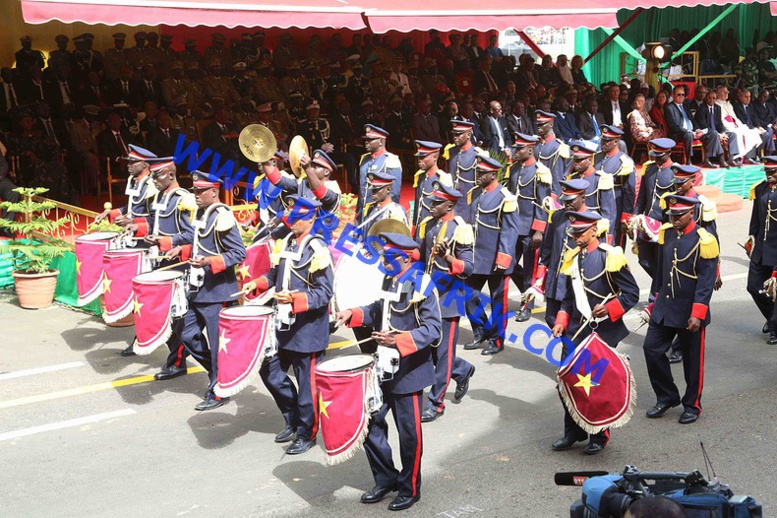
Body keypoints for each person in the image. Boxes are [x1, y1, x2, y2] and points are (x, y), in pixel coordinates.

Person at [334, 232, 441, 511]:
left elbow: (433, 329)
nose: (383, 262)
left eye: (388, 258)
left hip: (409, 371)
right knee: (368, 423)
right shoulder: (388, 279)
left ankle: (410, 488)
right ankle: (386, 478)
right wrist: (354, 313)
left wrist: (397, 340)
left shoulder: (423, 284)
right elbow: (378, 310)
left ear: (405, 258)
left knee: (409, 434)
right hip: (382, 367)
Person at [244, 196, 333, 455]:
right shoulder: (286, 242)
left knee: (307, 387)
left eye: (298, 218)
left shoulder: (317, 249)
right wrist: (258, 283)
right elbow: (275, 276)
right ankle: (292, 418)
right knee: (270, 371)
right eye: (291, 217)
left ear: (311, 219)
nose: (292, 222)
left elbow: (324, 292)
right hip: (282, 324)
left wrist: (295, 299)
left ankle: (307, 433)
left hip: (307, 329)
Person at [551, 210, 638, 454]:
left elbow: (631, 293)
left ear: (593, 230)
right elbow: (568, 297)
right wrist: (561, 319)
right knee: (568, 380)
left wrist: (609, 309)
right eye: (573, 232)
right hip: (575, 330)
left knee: (595, 385)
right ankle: (573, 431)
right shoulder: (573, 258)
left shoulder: (610, 256)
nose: (575, 236)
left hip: (600, 331)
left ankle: (599, 434)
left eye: (580, 232)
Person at [165, 173, 246, 411]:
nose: (196, 195)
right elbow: (196, 239)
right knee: (186, 333)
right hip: (198, 289)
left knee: (218, 344)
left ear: (214, 192)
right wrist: (177, 246)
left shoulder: (222, 216)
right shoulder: (201, 213)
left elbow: (239, 253)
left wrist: (210, 261)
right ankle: (218, 372)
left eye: (201, 191)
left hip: (217, 292)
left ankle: (219, 391)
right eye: (195, 191)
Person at [642, 195, 718, 425]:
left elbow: (706, 281)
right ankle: (667, 396)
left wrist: (697, 313)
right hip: (665, 306)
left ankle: (692, 405)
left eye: (679, 215)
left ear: (691, 214)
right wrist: (654, 301)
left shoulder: (704, 240)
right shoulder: (667, 233)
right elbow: (661, 271)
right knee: (651, 348)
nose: (674, 219)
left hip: (689, 311)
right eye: (672, 215)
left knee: (692, 363)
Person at [416, 182, 475, 422]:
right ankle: (462, 369)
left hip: (449, 299)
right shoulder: (429, 225)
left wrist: (448, 257)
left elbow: (468, 268)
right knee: (430, 350)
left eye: (436, 202)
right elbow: (420, 256)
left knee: (442, 353)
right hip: (427, 296)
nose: (431, 205)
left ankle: (436, 403)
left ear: (449, 206)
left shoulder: (460, 229)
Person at [137, 158, 195, 380]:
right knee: (164, 314)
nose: (153, 180)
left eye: (158, 175)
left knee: (178, 317)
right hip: (159, 261)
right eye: (152, 175)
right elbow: (154, 223)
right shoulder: (159, 197)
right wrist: (140, 229)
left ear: (171, 174)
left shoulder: (183, 199)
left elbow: (192, 234)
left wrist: (168, 242)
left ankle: (178, 362)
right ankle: (176, 358)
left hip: (177, 264)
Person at [463, 155, 519, 356]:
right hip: (477, 257)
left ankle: (497, 339)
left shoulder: (505, 197)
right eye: (477, 171)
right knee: (467, 295)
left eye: (482, 173)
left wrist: (503, 257)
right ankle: (481, 330)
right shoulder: (476, 193)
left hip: (496, 258)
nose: (477, 175)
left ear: (493, 175)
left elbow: (510, 231)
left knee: (498, 302)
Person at [505, 133, 551, 322]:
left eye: (520, 148)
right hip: (514, 226)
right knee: (509, 264)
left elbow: (543, 203)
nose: (516, 151)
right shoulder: (515, 168)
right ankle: (528, 291)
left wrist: (539, 230)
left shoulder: (540, 172)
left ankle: (526, 306)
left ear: (530, 150)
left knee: (530, 271)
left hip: (530, 229)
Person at [537, 180, 589, 328]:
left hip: (576, 278)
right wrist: (540, 275)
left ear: (583, 197)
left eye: (571, 200)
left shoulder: (591, 219)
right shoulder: (557, 216)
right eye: (565, 200)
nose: (567, 204)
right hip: (556, 277)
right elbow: (547, 247)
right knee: (551, 317)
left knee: (574, 321)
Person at [634, 138, 676, 281]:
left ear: (669, 153)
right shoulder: (649, 169)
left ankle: (658, 289)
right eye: (654, 155)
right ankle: (660, 283)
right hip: (646, 222)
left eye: (660, 155)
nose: (656, 158)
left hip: (663, 224)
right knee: (643, 259)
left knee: (660, 260)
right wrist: (635, 216)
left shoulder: (674, 173)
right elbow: (642, 196)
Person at [745, 157, 777, 345]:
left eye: (773, 172)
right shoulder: (760, 189)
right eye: (767, 172)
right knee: (753, 286)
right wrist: (751, 238)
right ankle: (772, 318)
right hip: (762, 249)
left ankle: (775, 328)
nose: (769, 176)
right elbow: (755, 218)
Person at [593, 126, 635, 247]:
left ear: (616, 142)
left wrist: (625, 217)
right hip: (597, 206)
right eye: (602, 140)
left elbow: (629, 192)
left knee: (614, 244)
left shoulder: (624, 162)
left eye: (607, 141)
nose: (603, 143)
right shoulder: (596, 157)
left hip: (616, 207)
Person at [566, 142, 617, 242]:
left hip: (593, 233)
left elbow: (608, 214)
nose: (576, 163)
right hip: (574, 229)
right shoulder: (572, 178)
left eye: (580, 160)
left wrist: (607, 239)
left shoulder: (601, 179)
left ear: (590, 160)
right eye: (575, 160)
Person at [665, 85, 724, 164]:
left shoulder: (685, 106)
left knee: (713, 133)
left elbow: (692, 120)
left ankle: (707, 159)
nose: (681, 96)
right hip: (679, 134)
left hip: (693, 131)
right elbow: (674, 126)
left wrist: (697, 129)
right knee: (689, 135)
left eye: (683, 95)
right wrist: (689, 131)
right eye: (679, 94)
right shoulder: (669, 108)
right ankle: (689, 160)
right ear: (673, 95)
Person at [358, 124, 402, 217]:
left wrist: (389, 214)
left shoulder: (390, 160)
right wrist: (358, 212)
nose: (366, 142)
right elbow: (362, 189)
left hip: (379, 213)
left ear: (381, 141)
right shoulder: (364, 159)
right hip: (363, 212)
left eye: (370, 140)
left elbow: (394, 193)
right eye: (366, 139)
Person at [694, 89, 740, 167]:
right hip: (705, 133)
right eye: (709, 98)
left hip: (716, 132)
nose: (711, 100)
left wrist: (723, 133)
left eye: (714, 98)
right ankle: (720, 159)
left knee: (733, 135)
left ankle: (731, 159)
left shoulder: (717, 108)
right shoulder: (701, 108)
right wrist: (719, 134)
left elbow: (719, 123)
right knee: (714, 134)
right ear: (706, 98)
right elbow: (703, 125)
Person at [412, 140, 452, 231]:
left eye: (423, 157)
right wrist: (414, 225)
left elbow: (446, 210)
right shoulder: (420, 177)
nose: (420, 160)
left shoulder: (442, 179)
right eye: (419, 157)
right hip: (419, 228)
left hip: (432, 229)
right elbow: (418, 204)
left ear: (434, 157)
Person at [445, 120, 480, 214]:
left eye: (458, 134)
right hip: (452, 200)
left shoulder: (476, 154)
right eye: (454, 134)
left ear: (468, 135)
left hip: (468, 202)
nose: (455, 137)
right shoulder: (451, 151)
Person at [360, 170, 408, 236]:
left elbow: (398, 238)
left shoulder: (396, 213)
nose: (373, 193)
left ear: (388, 189)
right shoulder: (370, 207)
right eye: (372, 189)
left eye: (376, 189)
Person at [534, 110, 571, 194]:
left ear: (551, 124)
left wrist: (554, 196)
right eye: (537, 124)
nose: (539, 127)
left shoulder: (558, 147)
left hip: (547, 192)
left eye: (542, 124)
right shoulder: (536, 145)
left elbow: (557, 176)